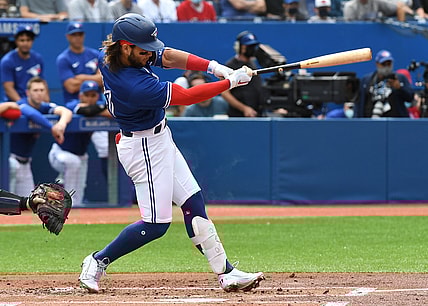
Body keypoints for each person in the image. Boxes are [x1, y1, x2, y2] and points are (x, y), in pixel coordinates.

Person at [78, 13, 264, 294]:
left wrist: (216, 68)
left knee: (193, 202)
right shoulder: (131, 83)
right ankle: (96, 261)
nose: (150, 54)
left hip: (160, 138)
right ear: (126, 46)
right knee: (156, 225)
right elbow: (186, 96)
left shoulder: (125, 54)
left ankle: (226, 273)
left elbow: (168, 56)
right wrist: (230, 83)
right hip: (143, 148)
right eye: (144, 50)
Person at [48, 81, 111, 207]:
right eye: (86, 95)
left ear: (98, 96)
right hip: (60, 153)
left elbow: (111, 113)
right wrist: (98, 109)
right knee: (73, 163)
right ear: (80, 95)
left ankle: (76, 208)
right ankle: (65, 200)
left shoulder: (98, 105)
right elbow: (84, 111)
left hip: (81, 155)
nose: (89, 98)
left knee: (80, 187)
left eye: (93, 95)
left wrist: (95, 110)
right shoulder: (72, 104)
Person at [9, 77, 72, 197]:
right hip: (10, 162)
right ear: (28, 92)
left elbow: (66, 112)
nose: (39, 93)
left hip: (25, 163)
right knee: (9, 205)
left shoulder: (44, 106)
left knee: (28, 203)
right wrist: (51, 128)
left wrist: (61, 124)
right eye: (35, 90)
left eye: (42, 90)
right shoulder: (21, 104)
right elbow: (32, 113)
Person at [354, 50, 414, 118]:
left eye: (389, 64)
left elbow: (410, 97)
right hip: (371, 122)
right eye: (383, 64)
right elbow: (359, 103)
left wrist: (399, 88)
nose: (386, 67)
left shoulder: (400, 78)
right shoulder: (366, 80)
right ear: (377, 64)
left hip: (395, 122)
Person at [56, 22, 102, 104]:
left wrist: (81, 77)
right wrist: (95, 78)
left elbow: (103, 80)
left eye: (80, 34)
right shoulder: (64, 59)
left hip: (97, 102)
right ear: (68, 37)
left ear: (84, 35)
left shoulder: (95, 54)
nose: (77, 38)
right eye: (74, 35)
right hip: (75, 104)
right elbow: (71, 87)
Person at [221, 31, 264, 117]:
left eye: (253, 46)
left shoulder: (253, 64)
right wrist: (244, 108)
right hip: (238, 115)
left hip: (255, 113)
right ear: (239, 47)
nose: (251, 49)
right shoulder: (230, 65)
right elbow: (225, 93)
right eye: (248, 46)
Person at [0, 25, 44, 102]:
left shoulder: (37, 58)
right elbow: (8, 88)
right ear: (16, 41)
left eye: (28, 40)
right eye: (22, 40)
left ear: (32, 41)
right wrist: (23, 104)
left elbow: (42, 83)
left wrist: (45, 102)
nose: (25, 43)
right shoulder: (7, 61)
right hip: (14, 104)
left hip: (35, 102)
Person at [343, 0, 409, 22]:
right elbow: (348, 28)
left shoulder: (376, 1)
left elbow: (400, 7)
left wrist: (402, 26)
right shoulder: (350, 6)